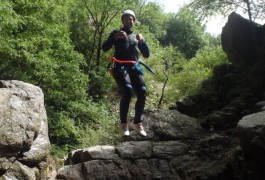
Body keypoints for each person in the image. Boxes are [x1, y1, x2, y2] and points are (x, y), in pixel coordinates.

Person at [102, 9, 150, 136]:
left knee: (142, 92)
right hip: (119, 66)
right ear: (122, 20)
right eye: (127, 18)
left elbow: (147, 54)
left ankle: (137, 122)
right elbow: (104, 48)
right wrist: (114, 37)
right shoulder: (116, 33)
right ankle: (123, 125)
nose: (130, 20)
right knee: (128, 91)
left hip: (134, 67)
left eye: (132, 19)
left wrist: (143, 42)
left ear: (133, 21)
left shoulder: (136, 36)